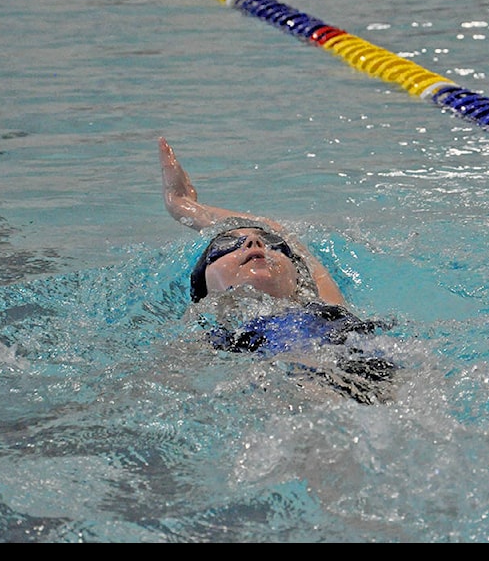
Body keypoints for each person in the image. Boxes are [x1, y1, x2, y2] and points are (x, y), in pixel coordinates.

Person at [158, 137, 396, 404]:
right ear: (203, 287)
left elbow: (278, 229)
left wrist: (184, 206)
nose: (254, 242)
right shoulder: (203, 346)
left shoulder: (326, 306)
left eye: (273, 245)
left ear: (298, 279)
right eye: (226, 244)